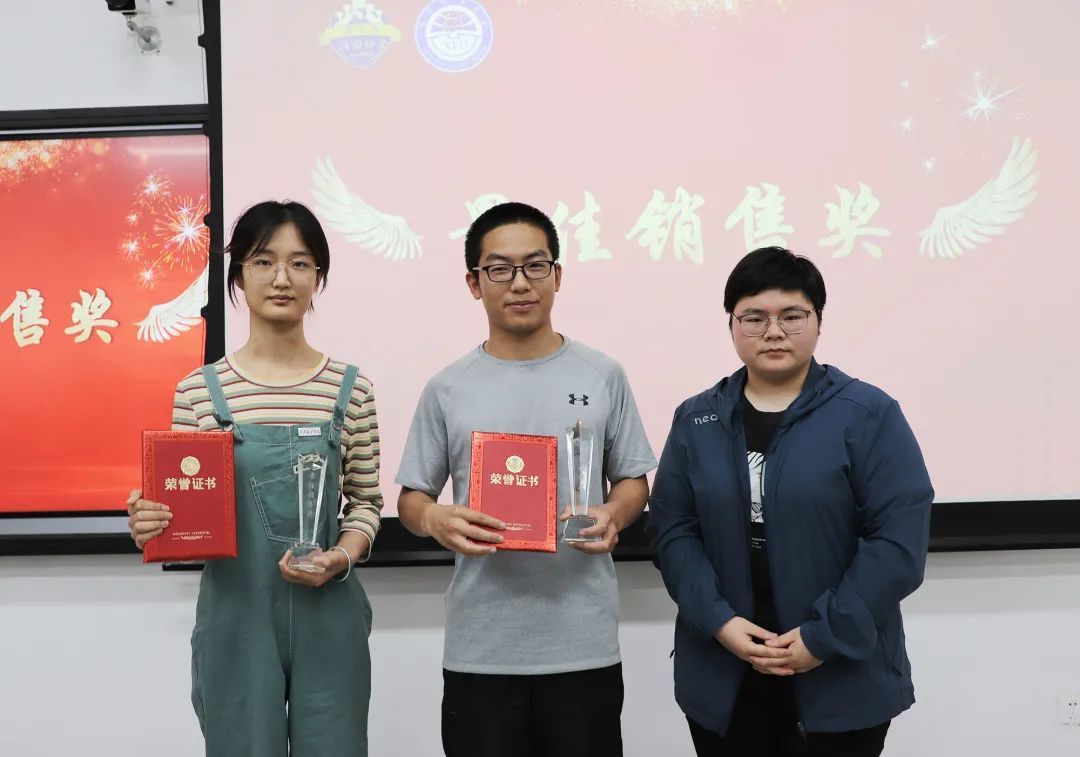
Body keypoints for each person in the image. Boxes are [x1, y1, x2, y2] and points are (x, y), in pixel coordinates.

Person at [395, 202, 657, 757]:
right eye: (499, 269)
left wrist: (615, 513)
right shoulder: (448, 387)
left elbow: (634, 480)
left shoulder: (602, 374)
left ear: (557, 276)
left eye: (535, 266)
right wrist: (436, 518)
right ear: (474, 283)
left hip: (582, 642)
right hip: (481, 648)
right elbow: (412, 500)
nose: (520, 283)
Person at [648, 246, 933, 757]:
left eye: (792, 316)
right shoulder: (696, 419)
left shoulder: (867, 414)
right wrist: (719, 622)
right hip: (725, 666)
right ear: (732, 325)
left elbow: (897, 542)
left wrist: (823, 637)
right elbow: (673, 531)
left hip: (841, 670)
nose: (773, 331)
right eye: (754, 317)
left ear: (819, 322)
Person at [126, 200, 382, 757]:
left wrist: (340, 556)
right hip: (236, 613)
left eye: (300, 263)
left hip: (329, 609)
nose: (282, 278)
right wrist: (153, 520)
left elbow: (365, 503)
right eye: (264, 261)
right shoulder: (199, 392)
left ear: (319, 277)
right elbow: (181, 508)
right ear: (238, 274)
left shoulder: (351, 389)